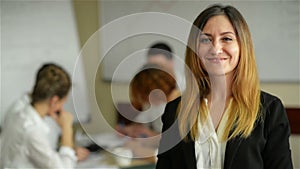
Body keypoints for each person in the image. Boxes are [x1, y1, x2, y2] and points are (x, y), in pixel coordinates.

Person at [156, 4, 293, 169]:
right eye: (206, 39)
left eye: (226, 38)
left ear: (242, 46)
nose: (216, 48)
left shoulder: (270, 110)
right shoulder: (175, 110)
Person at [0, 63, 89, 168]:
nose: (62, 108)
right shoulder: (32, 130)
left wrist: (68, 151)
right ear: (54, 101)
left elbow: (42, 151)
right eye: (62, 102)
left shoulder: (18, 110)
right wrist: (67, 129)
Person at [116, 64, 180, 157]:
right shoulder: (160, 102)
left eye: (144, 97)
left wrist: (143, 147)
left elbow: (176, 145)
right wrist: (131, 131)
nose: (145, 101)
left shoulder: (181, 105)